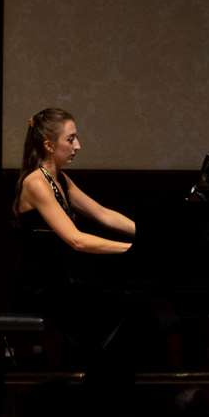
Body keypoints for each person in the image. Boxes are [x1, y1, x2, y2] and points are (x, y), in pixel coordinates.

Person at [12, 108, 136, 356]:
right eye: (70, 139)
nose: (77, 145)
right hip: (42, 290)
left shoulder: (61, 179)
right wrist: (131, 248)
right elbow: (76, 240)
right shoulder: (36, 182)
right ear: (49, 145)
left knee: (130, 302)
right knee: (126, 307)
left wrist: (148, 233)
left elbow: (102, 213)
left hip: (63, 284)